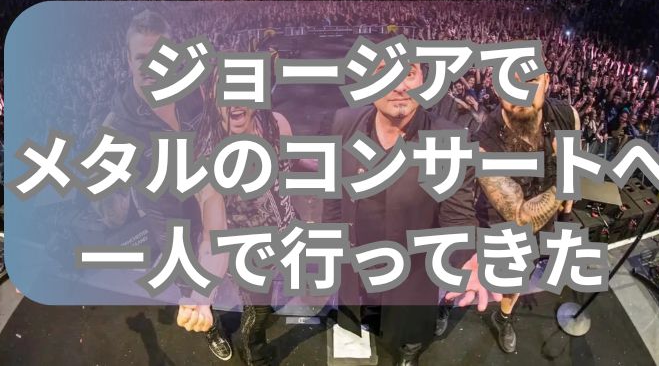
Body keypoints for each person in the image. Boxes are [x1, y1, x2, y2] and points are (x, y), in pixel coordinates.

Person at [324, 60, 498, 366]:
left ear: (422, 81)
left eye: (407, 73)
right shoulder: (342, 122)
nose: (398, 85)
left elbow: (457, 214)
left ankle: (409, 353)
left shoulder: (449, 140)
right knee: (365, 312)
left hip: (412, 270)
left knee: (409, 329)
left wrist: (467, 256)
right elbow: (334, 195)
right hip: (357, 263)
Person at [176, 64, 298, 366]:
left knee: (263, 303)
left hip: (279, 238)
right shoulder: (208, 159)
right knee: (259, 310)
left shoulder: (277, 124)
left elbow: (290, 166)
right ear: (211, 95)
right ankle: (252, 351)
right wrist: (202, 297)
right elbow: (214, 235)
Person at [473, 66, 578, 354]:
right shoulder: (484, 139)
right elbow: (520, 218)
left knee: (517, 276)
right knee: (467, 271)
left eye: (530, 81)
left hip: (545, 215)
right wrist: (564, 170)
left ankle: (503, 317)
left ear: (546, 81)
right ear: (496, 88)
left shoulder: (567, 116)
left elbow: (574, 172)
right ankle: (445, 308)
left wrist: (566, 218)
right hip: (496, 217)